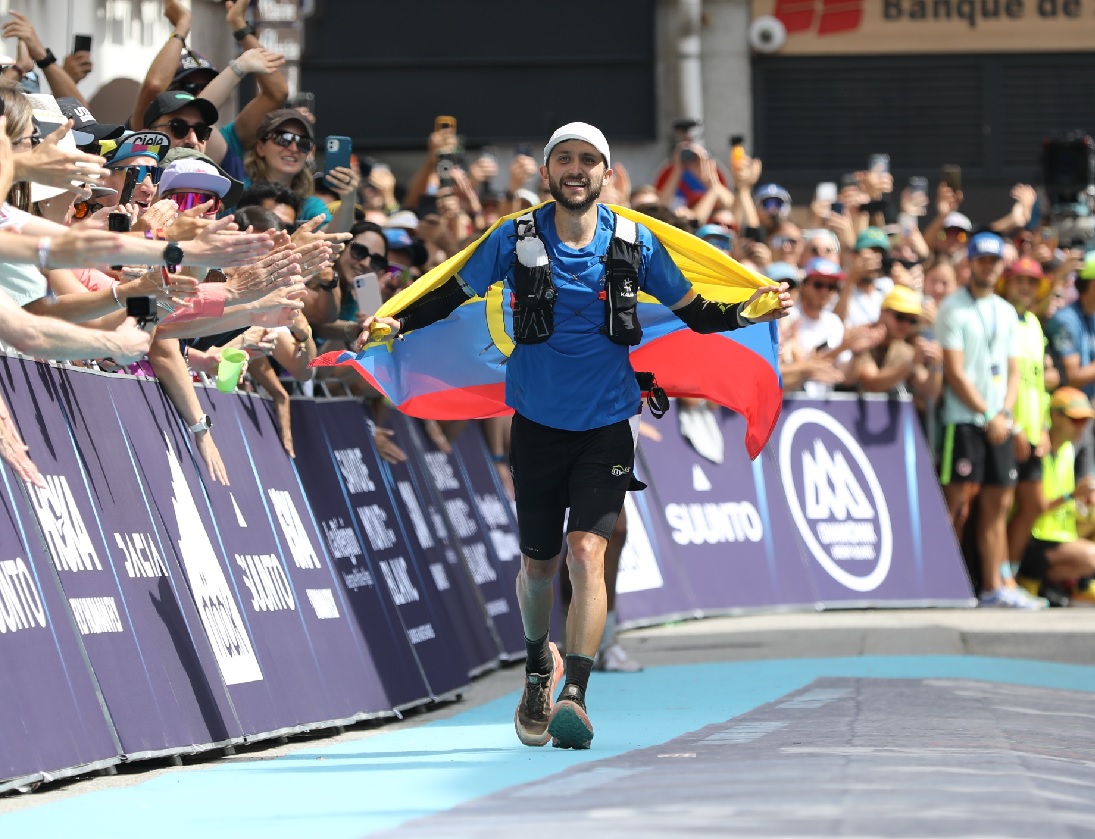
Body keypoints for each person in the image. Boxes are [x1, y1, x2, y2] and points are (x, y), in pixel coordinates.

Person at [360, 122, 791, 750]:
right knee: (539, 568)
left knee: (589, 552)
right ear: (547, 171)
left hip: (608, 425)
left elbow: (696, 311)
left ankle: (576, 696)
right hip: (535, 424)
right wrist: (395, 318)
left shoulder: (635, 242)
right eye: (564, 158)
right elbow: (453, 290)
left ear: (606, 174)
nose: (576, 168)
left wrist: (747, 313)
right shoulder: (515, 237)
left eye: (589, 159)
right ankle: (540, 665)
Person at [936, 231, 1033, 608]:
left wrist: (1005, 415)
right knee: (957, 506)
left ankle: (994, 586)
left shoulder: (1006, 311)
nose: (988, 267)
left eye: (994, 262)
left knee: (997, 505)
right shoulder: (952, 308)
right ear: (970, 263)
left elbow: (1013, 371)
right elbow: (955, 374)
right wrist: (989, 413)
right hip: (965, 420)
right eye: (982, 260)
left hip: (998, 422)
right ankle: (942, 581)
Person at [1015, 387, 1095, 606]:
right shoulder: (1040, 453)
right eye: (1075, 420)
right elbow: (1038, 507)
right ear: (1056, 416)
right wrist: (1073, 495)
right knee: (1092, 557)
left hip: (1060, 535)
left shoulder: (1068, 451)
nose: (1082, 427)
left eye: (1085, 421)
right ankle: (1031, 580)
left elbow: (1069, 500)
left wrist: (1084, 500)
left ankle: (1050, 585)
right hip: (1037, 538)